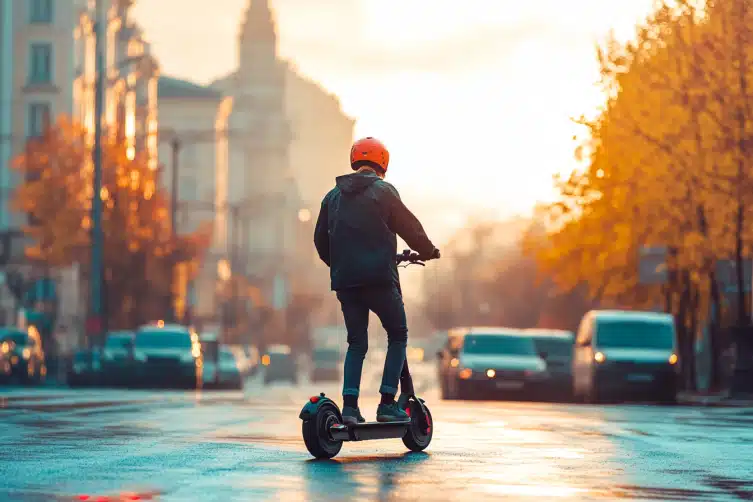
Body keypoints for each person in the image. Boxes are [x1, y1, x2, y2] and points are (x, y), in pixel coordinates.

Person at [314, 137, 440, 425]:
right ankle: (387, 403)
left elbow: (320, 241)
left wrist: (341, 265)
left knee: (356, 343)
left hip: (346, 282)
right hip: (379, 280)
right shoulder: (383, 191)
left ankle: (349, 407)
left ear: (354, 161)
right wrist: (428, 250)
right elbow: (409, 225)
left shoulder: (332, 197)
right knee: (398, 334)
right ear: (383, 163)